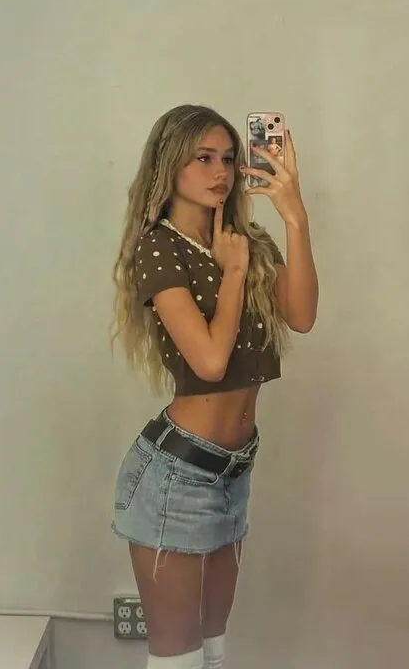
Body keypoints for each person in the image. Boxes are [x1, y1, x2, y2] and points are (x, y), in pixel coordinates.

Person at [109, 104, 319, 669]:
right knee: (178, 661)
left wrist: (294, 217)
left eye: (227, 158)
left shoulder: (245, 240)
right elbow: (207, 361)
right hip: (176, 476)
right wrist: (232, 274)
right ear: (170, 163)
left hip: (233, 471)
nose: (220, 171)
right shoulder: (159, 247)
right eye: (203, 158)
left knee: (213, 654)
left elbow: (301, 315)